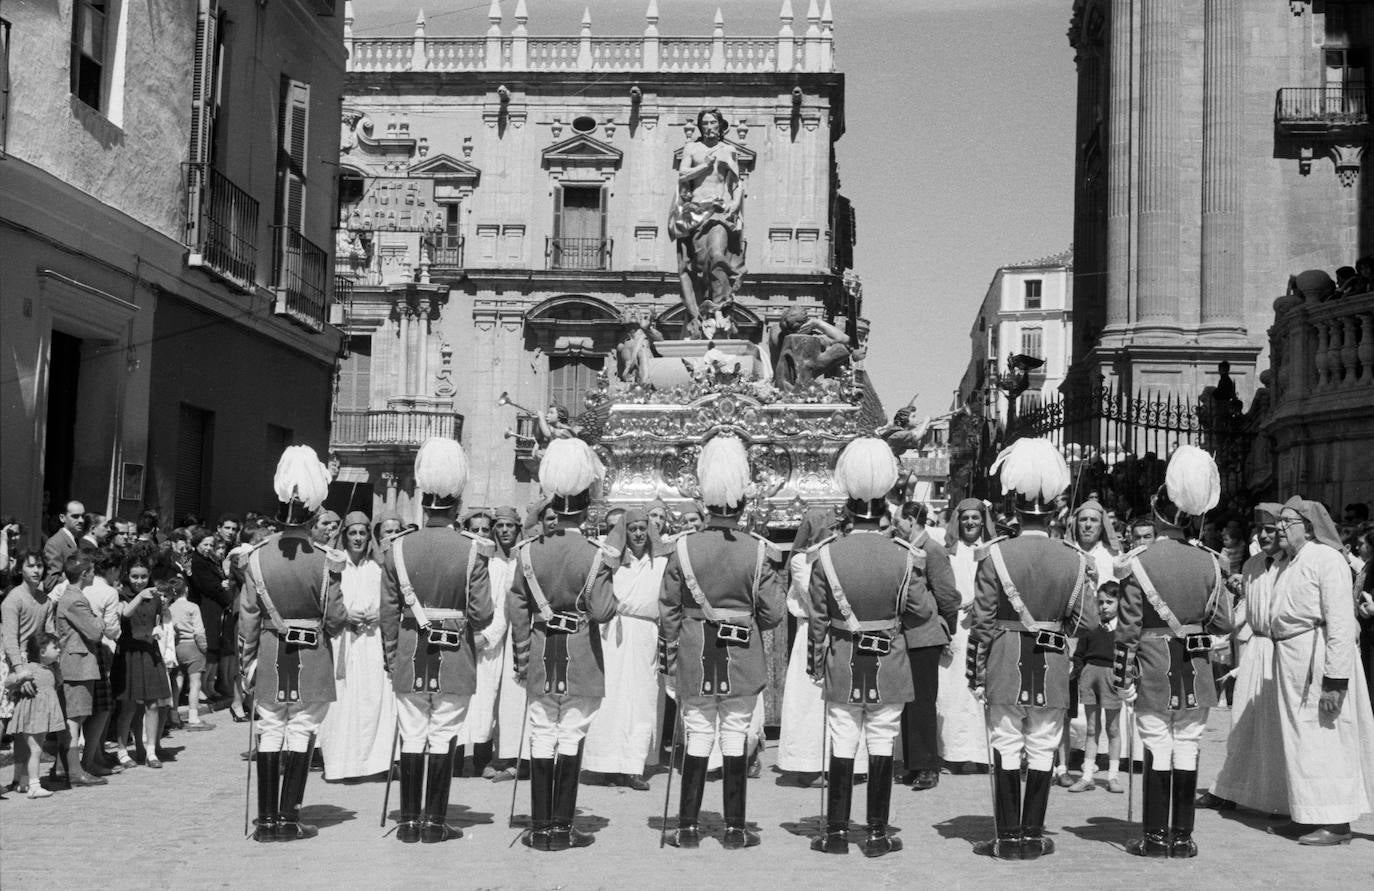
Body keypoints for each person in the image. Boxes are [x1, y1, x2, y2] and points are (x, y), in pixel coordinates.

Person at [968, 437, 1098, 860]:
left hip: (1005, 659)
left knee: (1005, 744)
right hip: (1054, 660)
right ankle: (1032, 836)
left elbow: (983, 622)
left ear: (1014, 510)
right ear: (1057, 512)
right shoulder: (1075, 558)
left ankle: (1006, 837)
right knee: (1043, 746)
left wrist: (975, 671)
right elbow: (1089, 621)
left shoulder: (995, 555)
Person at [809, 437, 937, 857]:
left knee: (842, 741)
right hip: (890, 658)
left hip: (844, 657)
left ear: (847, 509)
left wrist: (815, 663)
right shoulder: (904, 555)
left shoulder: (826, 554)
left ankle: (836, 834)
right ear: (885, 509)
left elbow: (818, 617)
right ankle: (878, 834)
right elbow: (921, 611)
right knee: (882, 740)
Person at [660, 433, 786, 850]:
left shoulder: (683, 548)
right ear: (743, 502)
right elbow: (772, 613)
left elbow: (669, 610)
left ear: (705, 501)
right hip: (741, 655)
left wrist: (669, 658)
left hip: (696, 653)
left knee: (697, 735)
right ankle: (734, 829)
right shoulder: (757, 550)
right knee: (735, 736)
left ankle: (687, 828)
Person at [1114, 445, 1232, 859]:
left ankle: (1154, 836)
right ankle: (1183, 837)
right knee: (1188, 746)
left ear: (1160, 513)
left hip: (1152, 667)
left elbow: (1127, 631)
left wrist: (1122, 677)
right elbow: (1223, 623)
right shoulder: (1211, 563)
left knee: (1156, 748)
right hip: (1195, 669)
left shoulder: (1138, 562)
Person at [380, 438, 493, 844]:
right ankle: (434, 822)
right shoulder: (472, 550)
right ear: (457, 502)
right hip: (454, 655)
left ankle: (408, 822)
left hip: (410, 654)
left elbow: (387, 614)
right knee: (444, 734)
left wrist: (392, 657)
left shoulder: (397, 548)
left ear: (424, 500)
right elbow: (482, 614)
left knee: (412, 733)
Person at [508, 437, 618, 851]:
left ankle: (539, 827)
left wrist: (522, 654)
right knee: (571, 736)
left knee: (541, 733)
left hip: (539, 651)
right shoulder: (596, 554)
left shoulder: (527, 552)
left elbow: (516, 608)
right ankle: (562, 826)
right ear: (587, 501)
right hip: (581, 656)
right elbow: (604, 611)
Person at [239, 445, 348, 842]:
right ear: (314, 512)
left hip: (269, 652)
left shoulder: (254, 557)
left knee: (269, 730)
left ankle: (265, 819)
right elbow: (335, 618)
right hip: (312, 653)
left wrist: (246, 664)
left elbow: (247, 619)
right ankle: (289, 817)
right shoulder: (326, 559)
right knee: (301, 731)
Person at [1266, 497, 1374, 846]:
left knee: (1326, 738)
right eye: (1280, 521)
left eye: (1287, 521)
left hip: (1319, 661)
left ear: (1308, 527)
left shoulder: (1327, 559)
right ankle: (1308, 813)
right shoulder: (1291, 562)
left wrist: (1335, 680)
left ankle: (1336, 822)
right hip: (1293, 661)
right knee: (1301, 740)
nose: (1279, 527)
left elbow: (1341, 621)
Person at [1198, 504, 1289, 814]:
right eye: (1259, 529)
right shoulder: (1251, 566)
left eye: (1271, 530)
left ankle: (1283, 797)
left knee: (1281, 727)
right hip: (1255, 651)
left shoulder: (1294, 564)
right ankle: (1228, 788)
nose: (1263, 535)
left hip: (1287, 653)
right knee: (1242, 723)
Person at [583, 508, 668, 790]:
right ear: (625, 532)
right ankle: (604, 763)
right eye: (633, 529)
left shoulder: (661, 562)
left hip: (645, 634)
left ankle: (633, 765)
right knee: (610, 698)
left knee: (641, 699)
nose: (639, 534)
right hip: (613, 634)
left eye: (644, 528)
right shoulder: (611, 561)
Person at [320, 511, 396, 781]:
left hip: (373, 641)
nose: (358, 538)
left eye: (362, 533)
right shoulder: (336, 567)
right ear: (345, 536)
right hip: (344, 640)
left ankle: (373, 764)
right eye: (352, 533)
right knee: (343, 702)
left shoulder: (376, 568)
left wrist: (379, 613)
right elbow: (326, 601)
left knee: (372, 699)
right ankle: (342, 765)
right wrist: (345, 615)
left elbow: (390, 600)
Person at [776, 508, 848, 785]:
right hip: (812, 632)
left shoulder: (837, 554)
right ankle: (807, 764)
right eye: (829, 529)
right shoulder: (799, 561)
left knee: (836, 701)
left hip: (837, 631)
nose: (834, 533)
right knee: (809, 702)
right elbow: (814, 594)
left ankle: (837, 763)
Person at [896, 501, 960, 791]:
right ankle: (913, 762)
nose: (897, 524)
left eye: (900, 520)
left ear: (912, 520)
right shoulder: (904, 548)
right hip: (908, 635)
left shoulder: (932, 550)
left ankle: (928, 767)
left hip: (926, 634)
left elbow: (947, 594)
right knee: (909, 701)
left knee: (923, 701)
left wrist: (947, 629)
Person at [669, 108, 745, 337]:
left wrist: (735, 204)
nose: (709, 127)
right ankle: (703, 313)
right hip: (695, 212)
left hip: (719, 212)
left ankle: (720, 309)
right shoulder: (692, 149)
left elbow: (737, 183)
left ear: (721, 126)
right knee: (699, 268)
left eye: (713, 123)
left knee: (717, 256)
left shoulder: (728, 150)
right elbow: (682, 176)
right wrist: (704, 165)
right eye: (705, 123)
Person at [938, 499, 995, 773]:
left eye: (975, 517)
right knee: (955, 691)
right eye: (965, 518)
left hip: (985, 625)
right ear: (957, 522)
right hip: (957, 627)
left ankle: (983, 755)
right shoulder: (949, 552)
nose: (970, 522)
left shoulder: (992, 551)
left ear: (983, 521)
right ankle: (955, 753)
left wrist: (982, 602)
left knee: (983, 688)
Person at [111, 548, 174, 769]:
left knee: (153, 704)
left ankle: (151, 751)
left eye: (143, 576)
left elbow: (159, 618)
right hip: (129, 651)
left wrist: (158, 627)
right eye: (135, 576)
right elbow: (124, 614)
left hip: (149, 650)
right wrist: (139, 596)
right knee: (128, 705)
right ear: (127, 575)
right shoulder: (120, 594)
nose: (139, 581)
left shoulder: (155, 596)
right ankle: (121, 750)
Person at [455, 508, 505, 778]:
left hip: (486, 646)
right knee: (458, 700)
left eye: (486, 530)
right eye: (475, 530)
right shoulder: (456, 562)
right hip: (459, 642)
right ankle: (456, 758)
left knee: (486, 701)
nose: (481, 535)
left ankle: (482, 759)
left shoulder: (500, 568)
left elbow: (503, 610)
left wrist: (485, 637)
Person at [52, 554, 111, 786]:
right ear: (84, 574)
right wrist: (100, 621)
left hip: (78, 664)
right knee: (74, 719)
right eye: (92, 571)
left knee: (75, 717)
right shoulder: (75, 599)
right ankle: (74, 772)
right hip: (77, 665)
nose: (94, 575)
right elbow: (95, 632)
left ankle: (62, 768)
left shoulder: (73, 596)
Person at [2, 550, 52, 791]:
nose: (36, 570)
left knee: (26, 721)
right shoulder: (13, 599)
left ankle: (20, 777)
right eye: (31, 566)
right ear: (20, 568)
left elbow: (47, 635)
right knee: (3, 720)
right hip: (12, 664)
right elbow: (9, 638)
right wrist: (20, 670)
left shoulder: (45, 600)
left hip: (34, 664)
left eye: (40, 566)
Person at [1068, 581, 1124, 793]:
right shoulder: (1091, 626)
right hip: (1090, 674)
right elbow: (1080, 652)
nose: (1104, 607)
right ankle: (1087, 776)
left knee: (1113, 728)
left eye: (1109, 602)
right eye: (1100, 602)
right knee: (1091, 728)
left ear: (1120, 603)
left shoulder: (1123, 629)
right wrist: (1081, 671)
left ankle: (1113, 776)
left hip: (1111, 675)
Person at [487, 507, 527, 780]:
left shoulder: (525, 558)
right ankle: (502, 755)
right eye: (499, 526)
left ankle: (522, 760)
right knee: (500, 698)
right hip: (502, 633)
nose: (504, 531)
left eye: (509, 526)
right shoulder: (490, 562)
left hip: (523, 632)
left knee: (520, 696)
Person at [5, 633, 66, 798]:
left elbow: (58, 683)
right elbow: (8, 682)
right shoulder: (29, 668)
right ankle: (34, 786)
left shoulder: (51, 668)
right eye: (55, 647)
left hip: (42, 716)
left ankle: (24, 782)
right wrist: (20, 677)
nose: (59, 650)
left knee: (35, 749)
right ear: (42, 651)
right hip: (32, 716)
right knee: (36, 749)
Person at [82, 548, 123, 774]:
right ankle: (91, 758)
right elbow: (112, 630)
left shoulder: (77, 586)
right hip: (100, 650)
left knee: (89, 707)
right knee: (102, 707)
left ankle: (96, 754)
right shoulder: (108, 592)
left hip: (77, 650)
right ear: (112, 569)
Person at [189, 531, 235, 705]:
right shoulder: (197, 562)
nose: (208, 548)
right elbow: (207, 586)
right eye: (205, 545)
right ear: (197, 544)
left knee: (215, 647)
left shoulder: (210, 561)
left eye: (211, 545)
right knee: (208, 646)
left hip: (216, 607)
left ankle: (209, 685)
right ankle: (201, 687)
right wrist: (222, 587)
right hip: (206, 606)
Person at [167, 574, 212, 729]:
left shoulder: (169, 608)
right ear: (186, 589)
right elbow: (199, 632)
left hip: (175, 647)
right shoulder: (193, 607)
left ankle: (173, 714)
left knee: (177, 682)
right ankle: (193, 716)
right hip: (192, 647)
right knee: (195, 683)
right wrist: (204, 649)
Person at [43, 501, 84, 592]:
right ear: (62, 518)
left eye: (82, 516)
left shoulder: (77, 540)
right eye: (75, 516)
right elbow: (50, 583)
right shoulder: (54, 543)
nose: (81, 520)